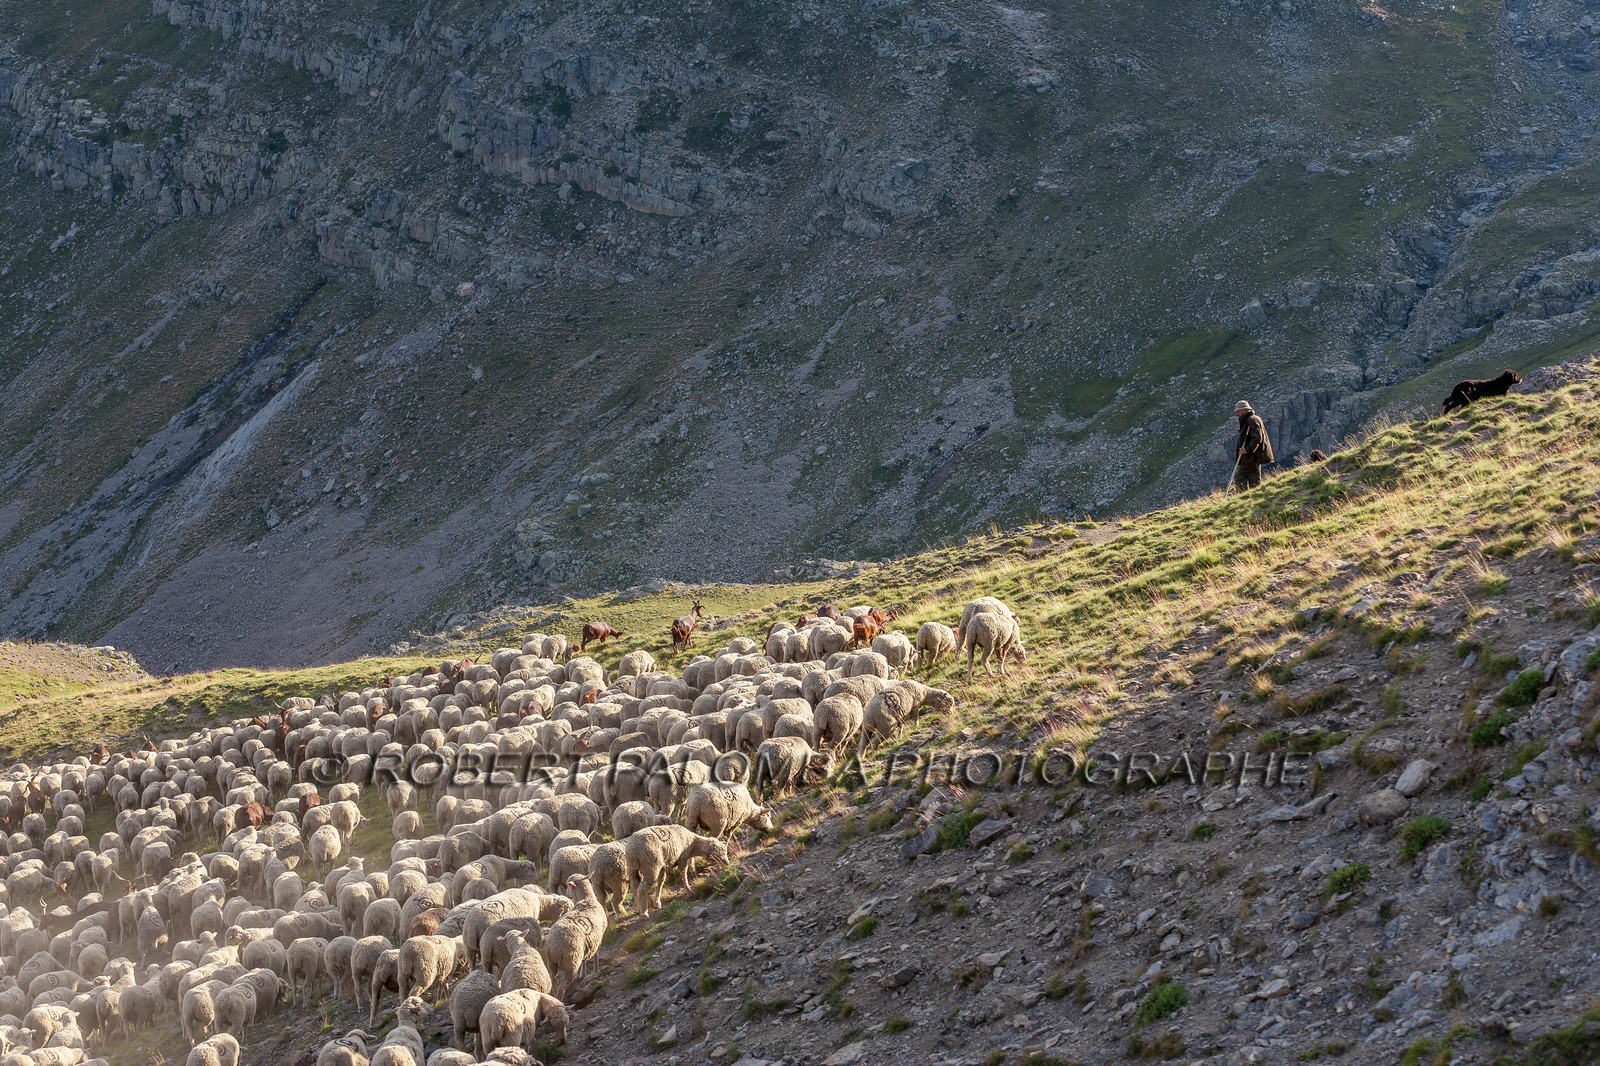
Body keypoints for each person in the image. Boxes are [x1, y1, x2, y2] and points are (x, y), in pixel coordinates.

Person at [1231, 400, 1274, 490]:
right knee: (1254, 479)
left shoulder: (1251, 420)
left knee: (1239, 478)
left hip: (1251, 456)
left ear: (1244, 411)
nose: (1237, 415)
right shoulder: (1252, 419)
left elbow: (1257, 438)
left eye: (1238, 412)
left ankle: (1242, 498)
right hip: (1255, 456)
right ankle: (1256, 496)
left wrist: (1247, 449)